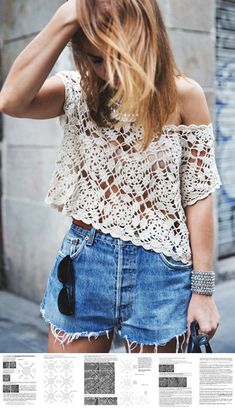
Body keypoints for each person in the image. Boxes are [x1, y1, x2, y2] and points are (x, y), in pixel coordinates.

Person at [0, 0, 222, 354]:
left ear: (147, 41)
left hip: (162, 272)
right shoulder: (76, 92)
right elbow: (11, 100)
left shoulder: (184, 96)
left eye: (120, 56)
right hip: (85, 263)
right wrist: (69, 12)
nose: (110, 72)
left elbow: (199, 194)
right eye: (96, 59)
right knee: (71, 395)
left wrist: (204, 291)